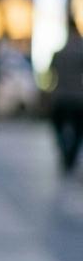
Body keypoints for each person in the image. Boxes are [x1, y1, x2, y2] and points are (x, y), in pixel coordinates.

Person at [50, 20, 83, 175]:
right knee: (78, 131)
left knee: (58, 127)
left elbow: (51, 73)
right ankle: (70, 156)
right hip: (78, 97)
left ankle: (64, 151)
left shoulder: (59, 52)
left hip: (60, 96)